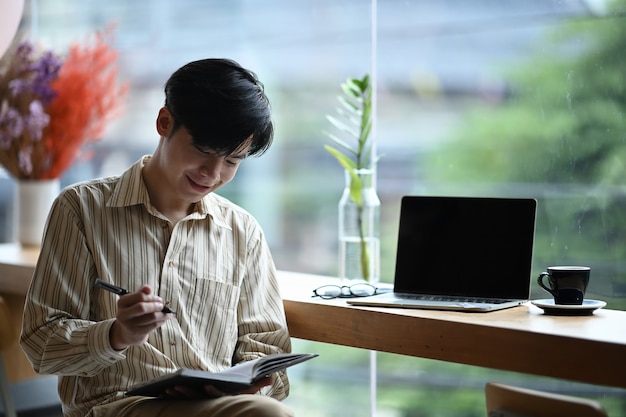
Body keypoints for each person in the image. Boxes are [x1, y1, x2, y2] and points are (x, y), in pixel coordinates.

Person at [20, 58, 294, 417]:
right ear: (165, 122)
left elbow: (270, 355)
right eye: (205, 151)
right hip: (116, 406)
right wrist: (117, 334)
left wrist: (255, 380)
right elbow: (41, 343)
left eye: (233, 160)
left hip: (216, 407)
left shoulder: (243, 232)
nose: (213, 173)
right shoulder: (81, 210)